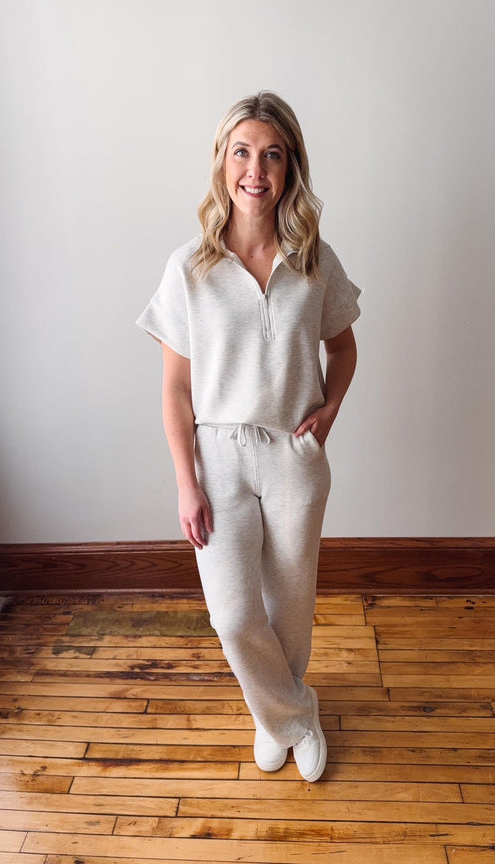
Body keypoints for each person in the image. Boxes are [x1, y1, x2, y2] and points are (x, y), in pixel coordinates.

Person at [137, 91, 360, 782]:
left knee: (288, 610)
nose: (254, 169)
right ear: (222, 162)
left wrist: (326, 414)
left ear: (290, 166)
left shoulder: (314, 260)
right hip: (218, 455)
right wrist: (186, 482)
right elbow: (175, 388)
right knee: (233, 617)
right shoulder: (190, 267)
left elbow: (343, 348)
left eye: (271, 153)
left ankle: (280, 716)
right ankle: (293, 714)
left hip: (292, 455)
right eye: (241, 152)